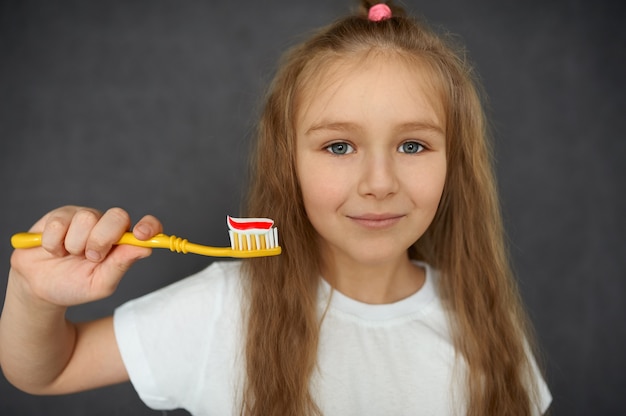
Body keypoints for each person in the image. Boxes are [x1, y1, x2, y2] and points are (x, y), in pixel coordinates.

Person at [0, 1, 551, 415]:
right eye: (339, 146)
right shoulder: (224, 310)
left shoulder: (486, 323)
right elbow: (49, 372)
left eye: (413, 146)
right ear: (289, 164)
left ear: (455, 162)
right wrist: (32, 294)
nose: (380, 183)